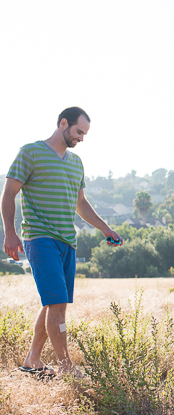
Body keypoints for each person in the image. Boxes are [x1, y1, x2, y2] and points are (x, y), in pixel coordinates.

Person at [1, 107, 122, 377]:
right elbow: (8, 193)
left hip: (68, 242)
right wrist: (10, 232)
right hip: (40, 239)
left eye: (85, 134)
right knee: (57, 304)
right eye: (79, 131)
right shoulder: (30, 152)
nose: (81, 137)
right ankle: (66, 366)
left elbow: (81, 203)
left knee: (52, 304)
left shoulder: (76, 162)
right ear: (63, 123)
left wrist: (105, 228)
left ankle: (33, 359)